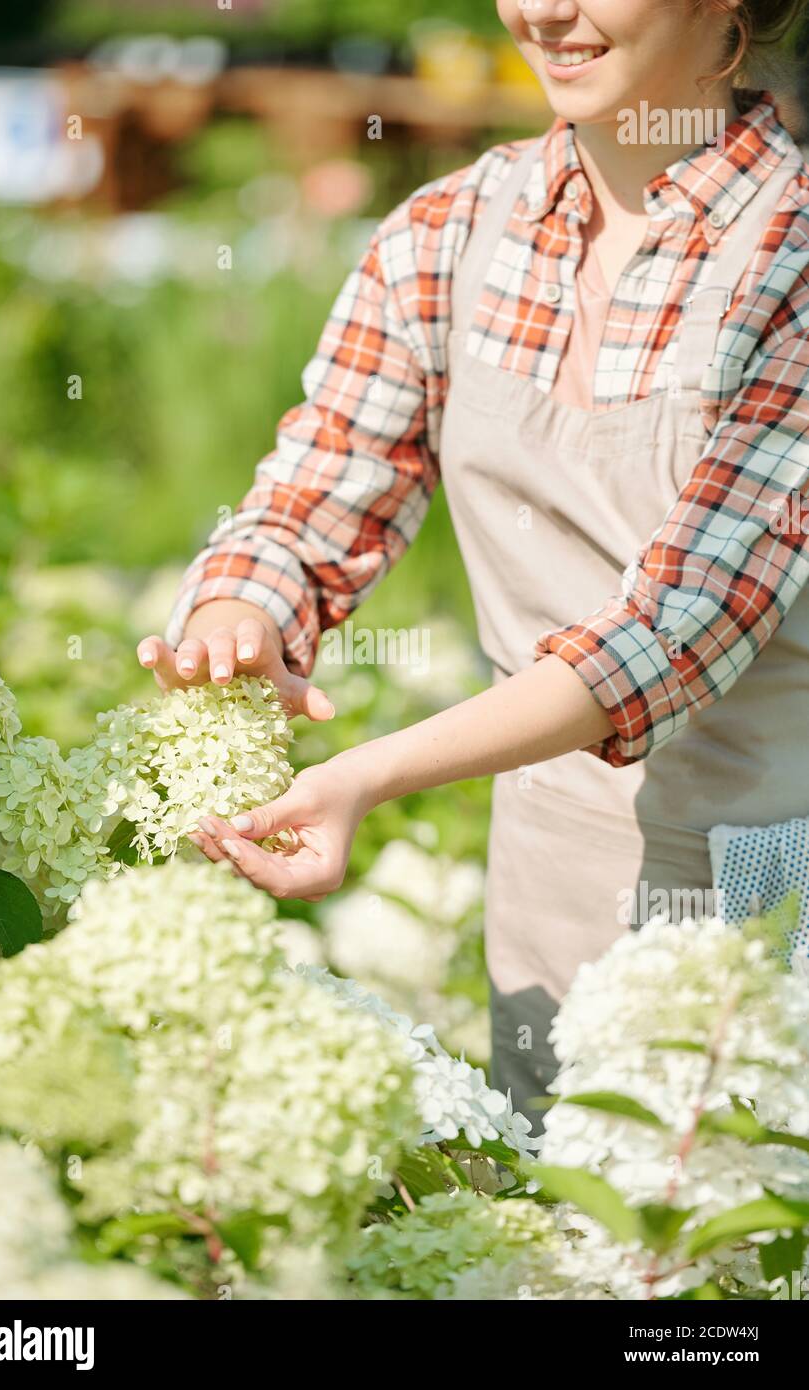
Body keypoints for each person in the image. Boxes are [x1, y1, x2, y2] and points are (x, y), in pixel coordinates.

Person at [137, 1, 809, 1122]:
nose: (545, 10)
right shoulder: (447, 231)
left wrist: (368, 771)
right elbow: (317, 487)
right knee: (554, 1233)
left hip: (766, 887)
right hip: (549, 883)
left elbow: (674, 626)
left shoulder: (788, 259)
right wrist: (240, 611)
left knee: (731, 1252)